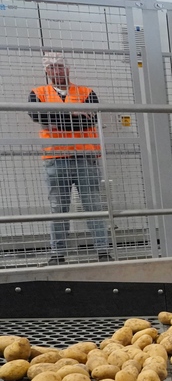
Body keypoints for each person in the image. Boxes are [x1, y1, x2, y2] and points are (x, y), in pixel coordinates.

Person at [29, 52, 111, 265]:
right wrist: (73, 114)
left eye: (60, 66)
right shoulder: (38, 93)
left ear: (68, 69)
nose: (57, 70)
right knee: (58, 208)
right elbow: (40, 118)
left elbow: (90, 120)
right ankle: (57, 255)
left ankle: (103, 252)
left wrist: (58, 118)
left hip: (86, 158)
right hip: (56, 159)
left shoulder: (86, 92)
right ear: (47, 71)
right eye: (52, 67)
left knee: (93, 205)